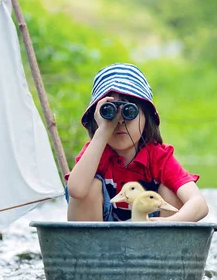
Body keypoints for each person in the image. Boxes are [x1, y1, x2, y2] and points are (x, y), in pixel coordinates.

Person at [65, 62, 209, 222]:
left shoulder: (158, 157)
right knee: (89, 186)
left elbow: (199, 203)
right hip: (99, 234)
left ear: (146, 118)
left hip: (151, 231)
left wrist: (169, 223)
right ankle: (88, 245)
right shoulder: (96, 152)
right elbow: (76, 190)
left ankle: (165, 242)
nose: (119, 122)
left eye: (129, 112)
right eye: (109, 112)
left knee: (173, 191)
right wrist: (104, 130)